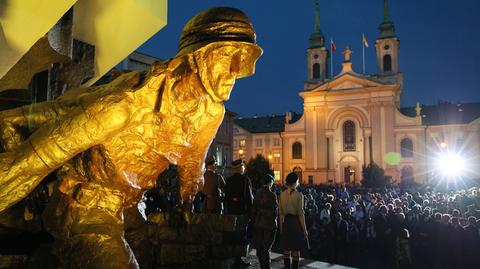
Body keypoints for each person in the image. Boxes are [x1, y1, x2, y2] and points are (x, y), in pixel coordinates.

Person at [0, 7, 262, 268]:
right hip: (87, 206)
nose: (236, 69)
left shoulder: (210, 111)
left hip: (130, 206)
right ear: (194, 57)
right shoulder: (126, 105)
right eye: (227, 54)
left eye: (244, 58)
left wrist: (186, 203)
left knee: (148, 256)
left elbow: (194, 160)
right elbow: (34, 160)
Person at [225, 159, 254, 268]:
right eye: (243, 167)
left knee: (233, 235)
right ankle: (238, 260)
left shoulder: (229, 180)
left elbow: (226, 197)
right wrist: (250, 213)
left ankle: (234, 259)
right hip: (242, 211)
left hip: (232, 210)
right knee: (241, 236)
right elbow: (249, 198)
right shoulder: (245, 180)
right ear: (240, 168)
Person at [279, 172, 308, 269]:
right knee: (296, 249)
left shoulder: (282, 194)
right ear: (296, 182)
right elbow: (301, 214)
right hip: (296, 223)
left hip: (286, 223)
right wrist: (305, 230)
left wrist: (281, 228)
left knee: (286, 249)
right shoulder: (299, 195)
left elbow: (281, 214)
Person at [252, 174, 278, 269]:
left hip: (258, 223)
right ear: (270, 182)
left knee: (259, 246)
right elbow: (275, 212)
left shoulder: (258, 193)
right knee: (266, 247)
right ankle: (266, 266)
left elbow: (253, 209)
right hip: (269, 225)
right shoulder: (272, 195)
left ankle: (262, 265)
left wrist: (254, 220)